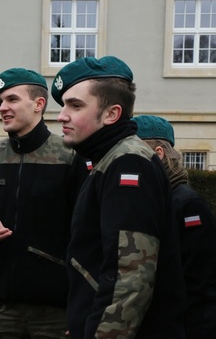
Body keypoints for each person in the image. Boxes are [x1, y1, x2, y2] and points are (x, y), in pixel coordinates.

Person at [52, 56, 186, 338]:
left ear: (111, 114)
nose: (62, 115)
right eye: (64, 105)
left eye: (75, 105)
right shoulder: (109, 158)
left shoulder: (128, 163)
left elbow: (130, 275)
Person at [0, 68, 84, 338]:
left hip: (56, 309)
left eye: (12, 100)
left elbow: (86, 233)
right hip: (0, 306)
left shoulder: (69, 156)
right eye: (1, 101)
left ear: (39, 104)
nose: (2, 108)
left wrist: (80, 305)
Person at [132, 114, 216, 338]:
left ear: (158, 154)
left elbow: (200, 285)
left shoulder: (187, 205)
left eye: (134, 152)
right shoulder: (154, 199)